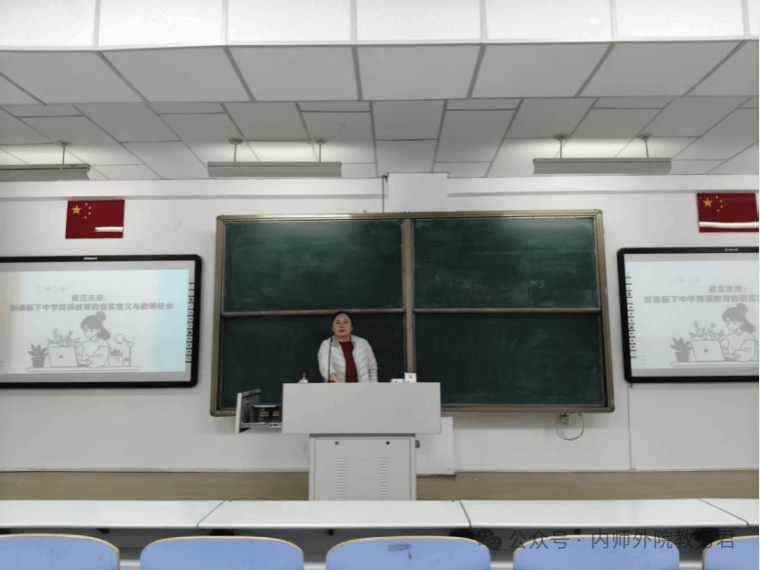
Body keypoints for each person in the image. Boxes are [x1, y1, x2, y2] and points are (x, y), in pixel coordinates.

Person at [318, 311, 378, 383]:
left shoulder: (363, 343)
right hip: (338, 387)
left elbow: (372, 369)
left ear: (351, 327)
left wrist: (373, 386)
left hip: (364, 387)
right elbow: (325, 364)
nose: (342, 326)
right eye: (338, 323)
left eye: (345, 322)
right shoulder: (327, 344)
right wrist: (331, 376)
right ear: (332, 328)